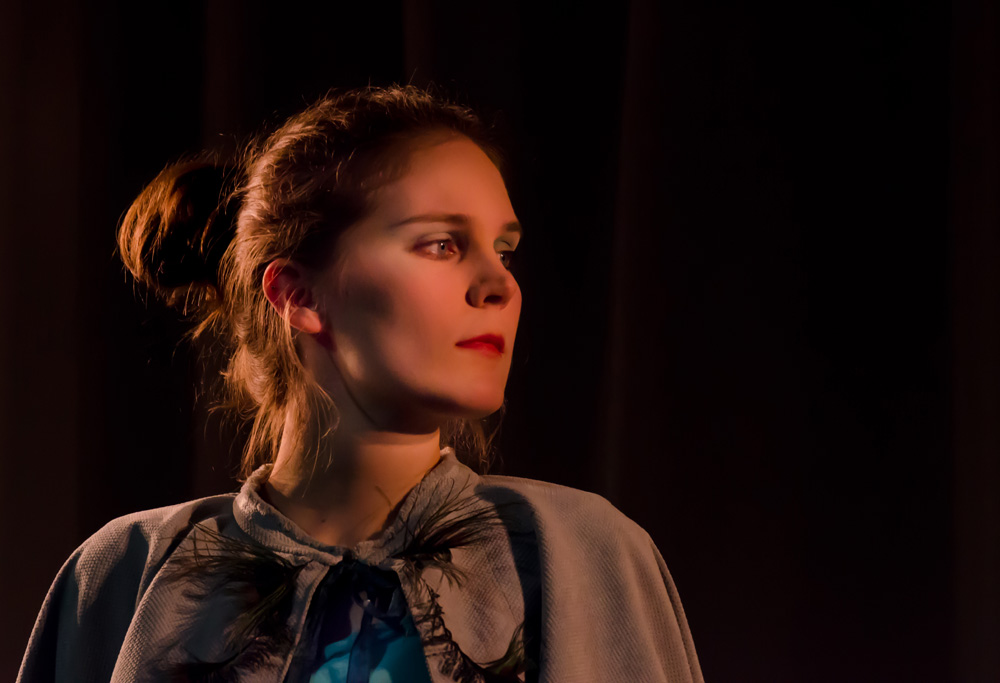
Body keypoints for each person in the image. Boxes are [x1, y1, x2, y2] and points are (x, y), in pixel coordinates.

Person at [17, 85, 704, 683]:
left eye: (504, 249)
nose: (500, 285)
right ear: (298, 294)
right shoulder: (124, 574)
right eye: (441, 243)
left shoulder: (580, 557)